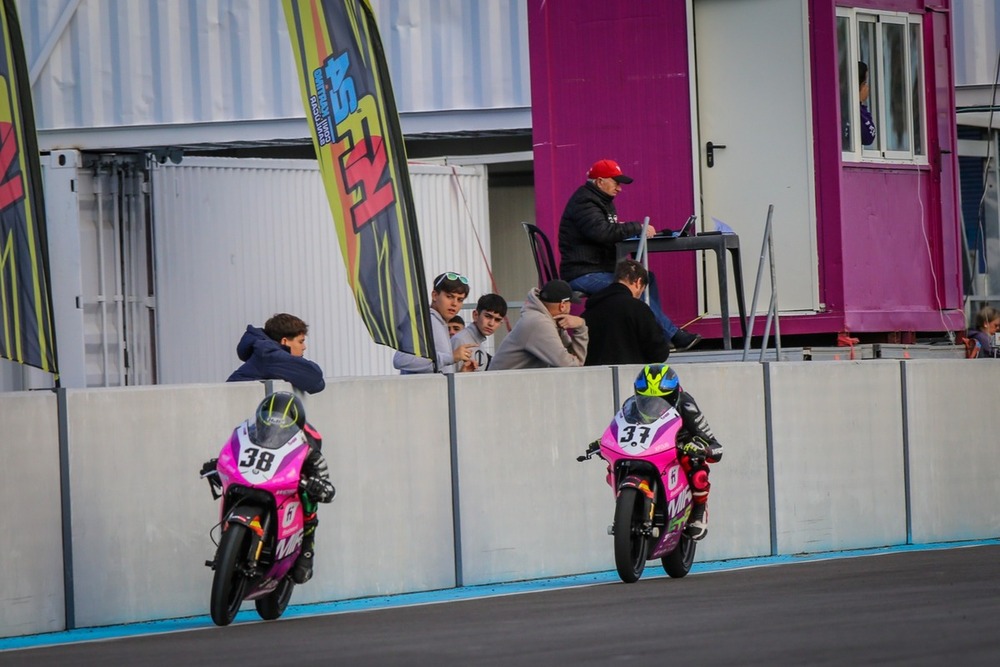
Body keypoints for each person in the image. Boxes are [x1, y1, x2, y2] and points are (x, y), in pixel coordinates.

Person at [558, 158, 701, 352]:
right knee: (632, 286)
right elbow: (602, 232)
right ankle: (672, 335)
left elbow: (606, 229)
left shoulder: (600, 200)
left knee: (645, 278)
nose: (620, 188)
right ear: (600, 181)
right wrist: (637, 227)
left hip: (598, 268)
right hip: (583, 273)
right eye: (616, 182)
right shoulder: (585, 202)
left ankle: (658, 334)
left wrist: (630, 230)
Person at [201, 392, 335, 584]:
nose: (275, 426)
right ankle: (229, 548)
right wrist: (218, 463)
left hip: (289, 487)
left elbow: (325, 481)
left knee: (309, 497)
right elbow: (236, 447)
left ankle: (307, 549)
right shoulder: (250, 431)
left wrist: (320, 485)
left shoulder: (308, 442)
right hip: (257, 481)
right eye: (269, 420)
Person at [630, 364, 722, 540]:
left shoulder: (686, 405)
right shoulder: (632, 405)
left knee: (696, 468)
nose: (653, 405)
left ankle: (698, 511)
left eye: (661, 399)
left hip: (678, 448)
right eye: (647, 400)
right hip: (647, 448)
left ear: (673, 395)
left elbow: (712, 442)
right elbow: (622, 426)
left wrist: (704, 448)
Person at [582, 259, 671, 366]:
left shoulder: (590, 310)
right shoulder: (638, 309)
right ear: (638, 282)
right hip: (631, 375)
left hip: (594, 376)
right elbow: (658, 353)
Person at [488, 279, 588, 370]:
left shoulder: (544, 319)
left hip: (506, 384)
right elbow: (572, 366)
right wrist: (581, 326)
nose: (570, 309)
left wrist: (578, 328)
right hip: (499, 386)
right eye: (570, 304)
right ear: (562, 306)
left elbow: (572, 358)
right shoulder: (539, 323)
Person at [393, 272, 477, 374]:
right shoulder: (424, 320)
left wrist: (461, 373)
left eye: (460, 300)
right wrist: (451, 357)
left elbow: (437, 369)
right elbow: (400, 360)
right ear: (435, 295)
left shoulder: (440, 323)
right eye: (449, 296)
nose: (454, 303)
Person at [227, 313, 325, 394]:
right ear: (285, 341)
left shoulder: (267, 355)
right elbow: (313, 377)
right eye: (300, 341)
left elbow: (315, 383)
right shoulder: (268, 355)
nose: (304, 347)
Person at [451, 293, 508, 371]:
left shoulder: (479, 343)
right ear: (475, 315)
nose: (491, 323)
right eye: (488, 316)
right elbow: (452, 379)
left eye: (497, 320)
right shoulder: (460, 340)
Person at [859, 61, 876, 147]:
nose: (867, 87)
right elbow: (869, 135)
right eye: (865, 83)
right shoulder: (849, 112)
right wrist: (859, 101)